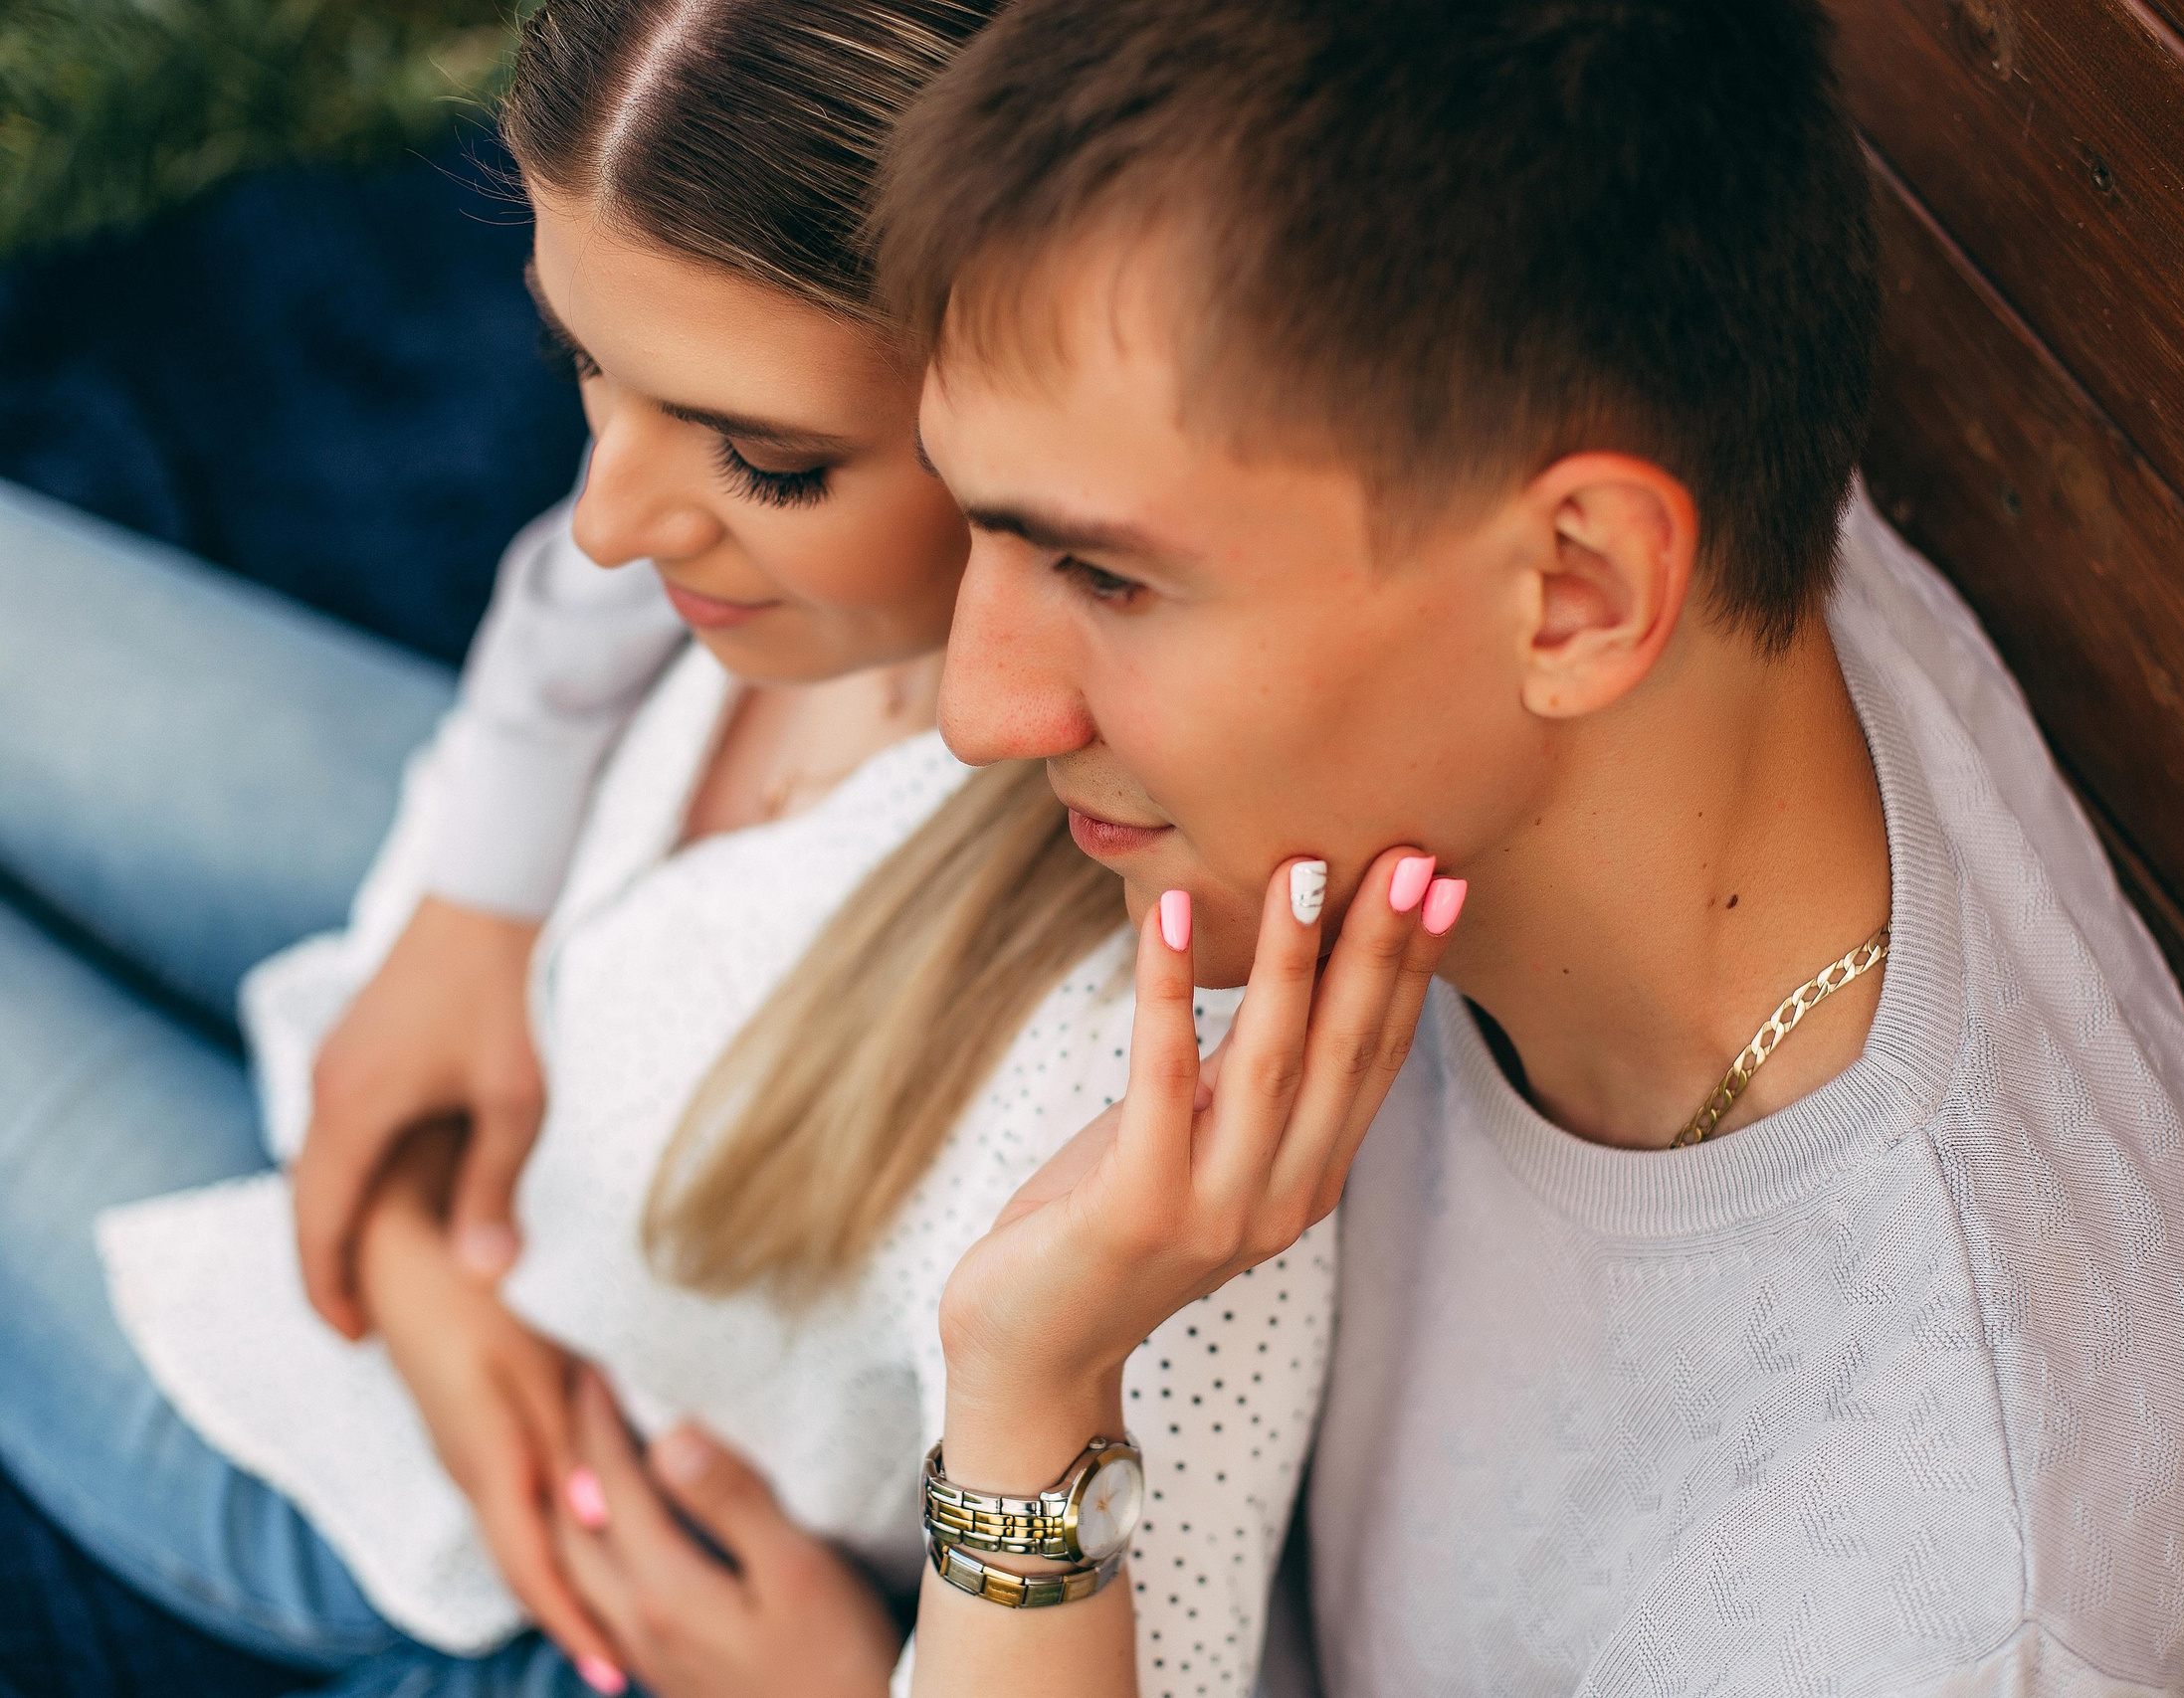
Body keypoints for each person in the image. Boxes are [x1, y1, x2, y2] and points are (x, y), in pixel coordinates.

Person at [862, 0, 2184, 1692]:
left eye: (1107, 579)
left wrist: (1029, 1416)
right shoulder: (1631, 434)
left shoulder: (1951, 1614)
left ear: (1582, 594)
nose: (980, 707)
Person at [0, 2, 1463, 1694]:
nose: (606, 522)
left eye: (763, 461)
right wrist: (460, 937)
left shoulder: (1134, 1101)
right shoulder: (776, 579)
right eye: (581, 362)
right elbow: (578, 595)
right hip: (462, 1134)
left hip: (427, 1507)